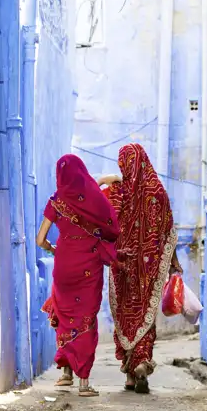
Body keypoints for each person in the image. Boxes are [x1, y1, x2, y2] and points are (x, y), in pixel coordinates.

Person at [98, 143, 182, 394]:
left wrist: (112, 179)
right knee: (145, 316)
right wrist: (173, 262)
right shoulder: (158, 192)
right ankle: (141, 363)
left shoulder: (118, 192)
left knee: (126, 315)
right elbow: (168, 232)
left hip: (122, 266)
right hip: (149, 269)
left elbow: (102, 218)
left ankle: (129, 375)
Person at [37, 154, 120, 397]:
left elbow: (40, 239)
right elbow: (111, 227)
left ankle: (65, 375)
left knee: (65, 316)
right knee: (85, 318)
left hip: (64, 263)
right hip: (88, 264)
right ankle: (84, 383)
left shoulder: (56, 200)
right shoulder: (93, 197)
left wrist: (52, 249)